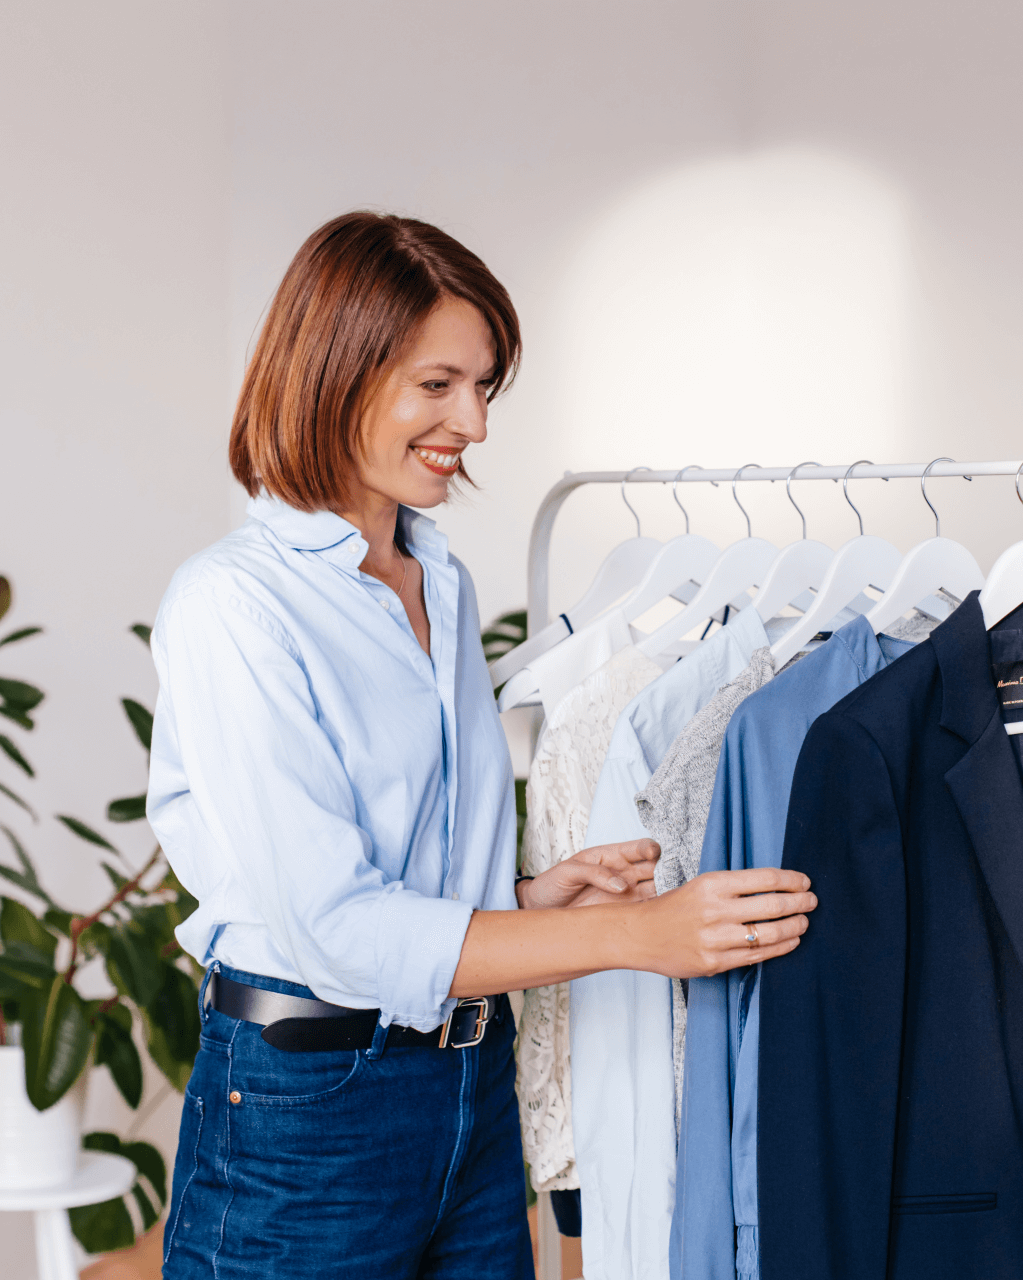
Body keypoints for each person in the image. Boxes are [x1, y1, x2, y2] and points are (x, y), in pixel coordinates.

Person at [146, 211, 816, 1279]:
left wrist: (523, 899)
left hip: (469, 1084)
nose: (476, 423)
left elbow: (396, 861)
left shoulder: (436, 579)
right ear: (335, 375)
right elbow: (336, 930)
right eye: (439, 384)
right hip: (308, 1105)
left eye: (485, 387)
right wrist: (640, 934)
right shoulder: (235, 606)